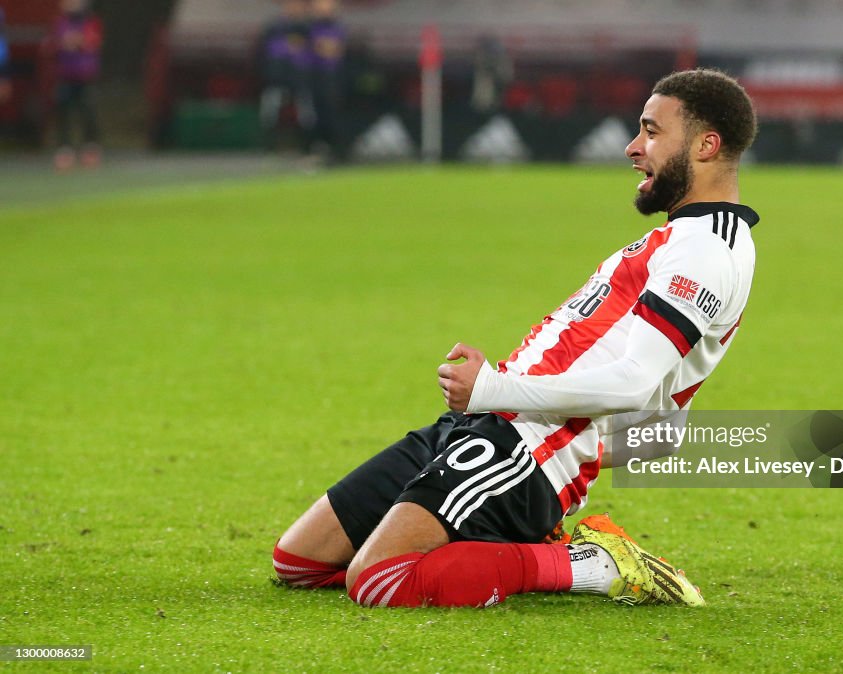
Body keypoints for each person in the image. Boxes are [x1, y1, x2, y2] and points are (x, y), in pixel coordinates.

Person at [274, 69, 759, 608]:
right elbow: (667, 426)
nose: (633, 146)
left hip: (526, 447)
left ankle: (586, 564)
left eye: (650, 131)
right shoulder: (682, 237)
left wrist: (494, 392)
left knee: (381, 579)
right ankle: (499, 543)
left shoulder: (707, 251)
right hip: (488, 425)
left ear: (706, 145)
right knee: (300, 562)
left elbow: (633, 385)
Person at [49, 0, 104, 171]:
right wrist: (68, 43)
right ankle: (65, 149)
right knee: (63, 113)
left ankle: (90, 147)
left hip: (85, 76)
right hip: (65, 75)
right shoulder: (60, 23)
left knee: (88, 111)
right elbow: (56, 44)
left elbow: (91, 42)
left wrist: (76, 42)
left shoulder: (91, 21)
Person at [257, 0, 314, 153]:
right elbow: (265, 53)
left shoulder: (307, 28)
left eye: (297, 5)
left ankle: (306, 145)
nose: (294, 8)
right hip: (277, 77)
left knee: (306, 113)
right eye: (290, 4)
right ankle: (267, 146)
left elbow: (312, 55)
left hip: (300, 79)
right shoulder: (274, 27)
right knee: (270, 111)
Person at [306, 0, 346, 160]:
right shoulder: (309, 27)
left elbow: (334, 50)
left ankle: (335, 150)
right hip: (312, 76)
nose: (324, 8)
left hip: (331, 77)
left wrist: (324, 47)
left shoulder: (337, 28)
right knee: (313, 114)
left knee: (332, 113)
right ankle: (314, 148)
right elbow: (315, 46)